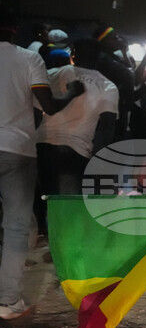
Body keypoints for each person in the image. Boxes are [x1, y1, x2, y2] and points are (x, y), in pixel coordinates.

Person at [0, 7, 84, 319]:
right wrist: (72, 95)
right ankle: (7, 300)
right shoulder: (28, 59)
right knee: (16, 225)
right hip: (17, 150)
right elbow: (47, 104)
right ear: (13, 28)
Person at [33, 38, 119, 236]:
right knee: (69, 214)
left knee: (46, 204)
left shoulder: (52, 75)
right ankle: (61, 255)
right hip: (74, 154)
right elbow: (107, 129)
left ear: (73, 53)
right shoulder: (108, 87)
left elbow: (36, 112)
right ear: (98, 58)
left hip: (42, 148)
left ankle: (46, 243)